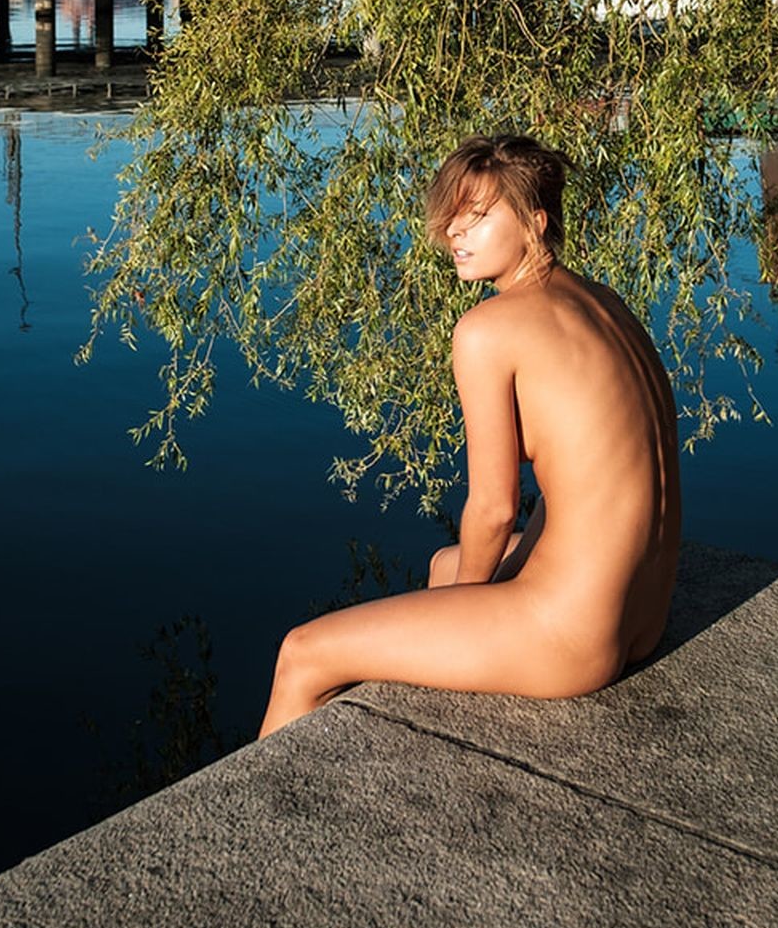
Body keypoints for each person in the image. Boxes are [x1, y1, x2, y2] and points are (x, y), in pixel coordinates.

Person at [258, 133, 681, 737]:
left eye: (477, 216)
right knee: (445, 563)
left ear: (535, 223)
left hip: (570, 637)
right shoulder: (606, 305)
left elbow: (494, 509)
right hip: (642, 615)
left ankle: (265, 800)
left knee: (304, 653)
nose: (453, 231)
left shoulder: (488, 330)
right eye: (452, 215)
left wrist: (459, 606)